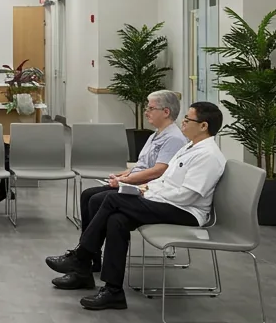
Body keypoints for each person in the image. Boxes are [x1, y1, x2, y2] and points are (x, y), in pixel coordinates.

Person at [44, 101, 226, 311]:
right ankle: (113, 291)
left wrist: (145, 192)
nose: (182, 123)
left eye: (187, 119)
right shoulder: (189, 147)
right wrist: (147, 188)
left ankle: (81, 258)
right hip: (166, 201)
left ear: (203, 126)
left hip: (185, 212)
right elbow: (166, 180)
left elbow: (187, 195)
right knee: (117, 220)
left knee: (112, 199)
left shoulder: (208, 155)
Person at [72, 90, 189, 269]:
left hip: (148, 188)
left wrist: (124, 182)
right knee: (88, 195)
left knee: (96, 200)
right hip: (136, 181)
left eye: (151, 108)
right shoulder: (156, 134)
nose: (146, 112)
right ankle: (90, 255)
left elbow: (158, 171)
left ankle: (85, 255)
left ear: (166, 112)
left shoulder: (173, 138)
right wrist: (122, 175)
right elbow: (141, 165)